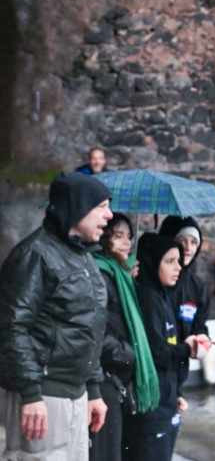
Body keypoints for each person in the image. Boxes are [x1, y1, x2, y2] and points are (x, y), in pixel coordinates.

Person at [0, 172, 112, 461]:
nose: (109, 215)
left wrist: (93, 388)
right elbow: (12, 327)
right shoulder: (34, 254)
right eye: (101, 206)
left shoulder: (83, 256)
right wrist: (30, 394)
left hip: (76, 394)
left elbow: (88, 327)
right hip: (42, 395)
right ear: (77, 207)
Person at [90, 214, 158, 461]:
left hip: (116, 380)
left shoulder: (120, 275)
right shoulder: (101, 274)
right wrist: (129, 354)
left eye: (129, 237)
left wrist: (129, 279)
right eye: (119, 237)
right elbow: (99, 336)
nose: (127, 243)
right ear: (105, 239)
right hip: (105, 381)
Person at [127, 233, 194, 461]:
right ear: (151, 262)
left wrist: (176, 393)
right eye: (169, 261)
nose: (178, 267)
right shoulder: (147, 298)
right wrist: (188, 348)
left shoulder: (160, 295)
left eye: (178, 261)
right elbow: (158, 353)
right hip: (150, 413)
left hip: (164, 405)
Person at [157, 217, 210, 343]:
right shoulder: (152, 281)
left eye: (193, 242)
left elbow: (198, 325)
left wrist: (201, 337)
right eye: (182, 240)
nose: (188, 248)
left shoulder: (198, 287)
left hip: (180, 360)